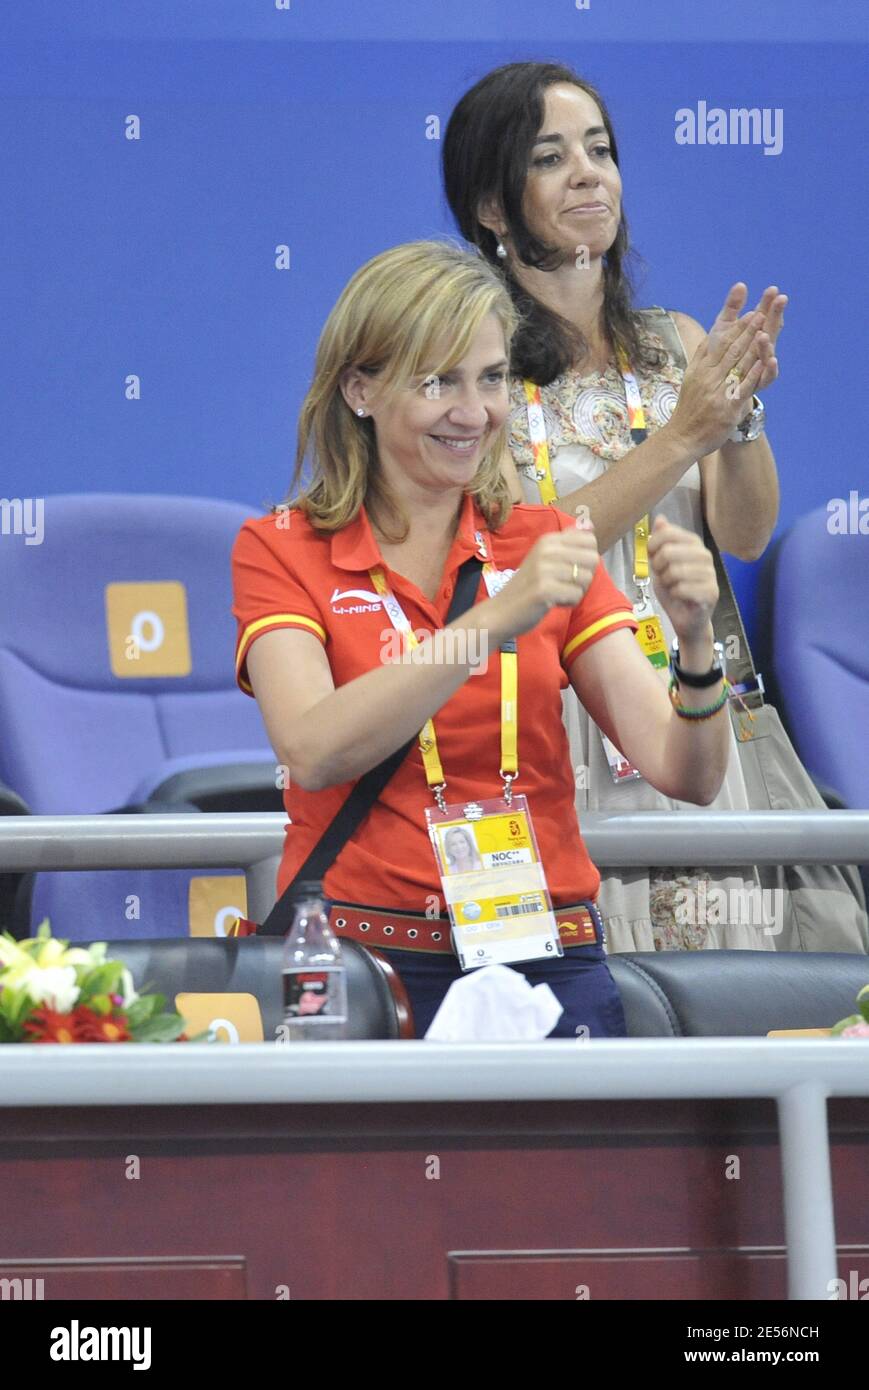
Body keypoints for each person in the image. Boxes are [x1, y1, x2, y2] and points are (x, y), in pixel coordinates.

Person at [231, 240, 741, 1038]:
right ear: (360, 389)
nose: (473, 412)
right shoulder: (280, 546)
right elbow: (313, 749)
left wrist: (696, 646)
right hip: (360, 955)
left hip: (543, 950)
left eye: (493, 378)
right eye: (438, 382)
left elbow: (686, 771)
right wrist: (492, 623)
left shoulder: (542, 540)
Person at [442, 61, 799, 952]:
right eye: (550, 158)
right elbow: (529, 551)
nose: (588, 174)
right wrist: (681, 436)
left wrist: (738, 412)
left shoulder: (674, 343)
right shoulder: (471, 366)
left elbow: (747, 538)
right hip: (561, 700)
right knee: (588, 985)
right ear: (492, 206)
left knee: (728, 981)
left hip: (691, 691)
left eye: (598, 150)